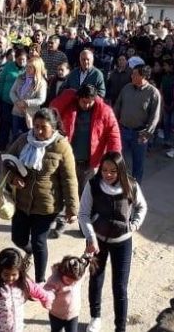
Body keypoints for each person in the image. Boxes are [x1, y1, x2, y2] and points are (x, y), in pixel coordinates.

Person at [5, 108, 79, 283]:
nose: (38, 131)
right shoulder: (24, 140)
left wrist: (72, 208)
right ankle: (28, 250)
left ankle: (39, 280)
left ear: (52, 127)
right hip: (22, 202)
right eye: (36, 126)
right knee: (18, 237)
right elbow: (7, 161)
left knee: (39, 241)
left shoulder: (61, 146)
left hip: (47, 206)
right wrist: (13, 178)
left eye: (42, 127)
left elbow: (69, 179)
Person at [79, 151, 148, 332]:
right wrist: (91, 238)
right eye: (104, 170)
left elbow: (142, 206)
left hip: (123, 242)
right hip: (98, 240)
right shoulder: (93, 185)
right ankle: (95, 317)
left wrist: (134, 225)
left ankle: (121, 327)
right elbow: (83, 214)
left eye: (113, 171)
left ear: (121, 171)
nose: (108, 175)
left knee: (120, 287)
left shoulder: (131, 185)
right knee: (96, 279)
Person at [49, 85, 122, 238]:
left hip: (90, 162)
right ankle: (61, 222)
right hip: (67, 160)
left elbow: (113, 134)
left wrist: (114, 158)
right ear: (78, 98)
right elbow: (52, 109)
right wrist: (69, 95)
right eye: (84, 102)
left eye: (90, 102)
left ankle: (84, 226)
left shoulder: (104, 111)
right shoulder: (69, 105)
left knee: (86, 197)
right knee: (63, 191)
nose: (87, 105)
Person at [0, 248, 53, 332]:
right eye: (6, 274)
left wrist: (46, 300)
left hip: (17, 326)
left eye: (14, 274)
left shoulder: (24, 283)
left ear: (20, 272)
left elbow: (37, 290)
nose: (10, 278)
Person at [114, 65, 161, 182]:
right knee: (119, 161)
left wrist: (147, 134)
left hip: (140, 134)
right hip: (123, 131)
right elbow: (117, 107)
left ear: (143, 76)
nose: (132, 76)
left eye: (135, 74)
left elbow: (154, 117)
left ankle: (135, 191)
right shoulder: (126, 88)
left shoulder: (153, 93)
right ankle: (121, 185)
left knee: (138, 165)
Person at [44, 255, 91, 332]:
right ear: (62, 273)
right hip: (56, 315)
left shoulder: (78, 276)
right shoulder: (55, 280)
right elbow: (48, 290)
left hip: (73, 315)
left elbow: (85, 268)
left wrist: (88, 257)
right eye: (69, 280)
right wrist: (48, 297)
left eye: (74, 281)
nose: (72, 283)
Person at [0, 48, 28, 151]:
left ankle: (15, 149)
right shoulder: (8, 66)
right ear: (15, 58)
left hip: (20, 103)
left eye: (24, 60)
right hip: (7, 101)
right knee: (5, 123)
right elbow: (0, 82)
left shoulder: (28, 68)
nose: (22, 62)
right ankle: (2, 145)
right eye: (19, 59)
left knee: (17, 127)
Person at [9, 56, 48, 139]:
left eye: (30, 67)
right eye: (27, 66)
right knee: (16, 136)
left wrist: (26, 102)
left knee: (28, 137)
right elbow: (12, 92)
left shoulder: (41, 83)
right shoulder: (20, 78)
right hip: (17, 111)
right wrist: (16, 101)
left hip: (30, 115)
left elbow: (41, 99)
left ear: (36, 69)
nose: (27, 68)